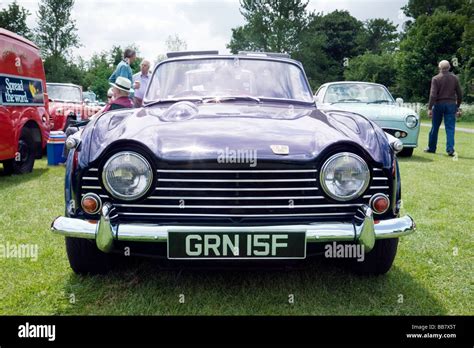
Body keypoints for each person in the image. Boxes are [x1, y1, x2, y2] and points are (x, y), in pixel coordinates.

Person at [425, 60, 463, 156]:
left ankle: (431, 148)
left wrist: (430, 108)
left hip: (438, 105)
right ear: (449, 67)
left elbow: (433, 95)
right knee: (450, 128)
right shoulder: (455, 78)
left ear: (439, 68)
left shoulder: (436, 78)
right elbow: (460, 94)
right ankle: (450, 149)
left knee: (435, 127)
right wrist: (457, 106)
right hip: (450, 105)